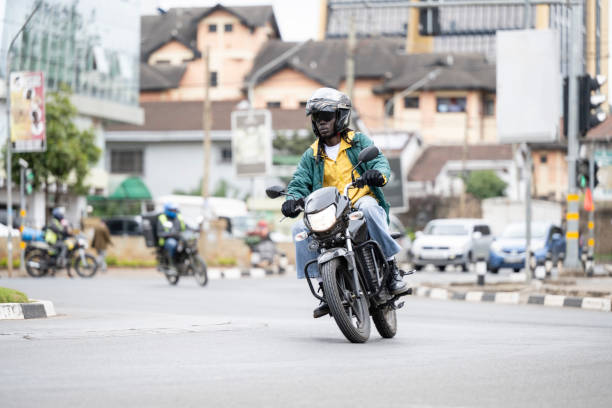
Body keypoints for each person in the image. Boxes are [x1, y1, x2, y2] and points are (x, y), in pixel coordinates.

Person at [282, 87, 410, 319]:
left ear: (340, 116)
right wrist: (291, 200)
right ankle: (326, 287)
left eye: (326, 116)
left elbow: (380, 162)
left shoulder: (359, 141)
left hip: (358, 204)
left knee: (370, 209)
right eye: (317, 118)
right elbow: (299, 182)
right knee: (299, 229)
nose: (321, 122)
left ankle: (391, 269)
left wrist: (376, 175)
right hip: (329, 212)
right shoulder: (310, 155)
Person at [156, 202, 186, 274]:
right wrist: (169, 234)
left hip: (178, 238)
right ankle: (171, 264)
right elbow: (159, 233)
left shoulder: (178, 217)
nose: (173, 211)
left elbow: (185, 226)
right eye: (171, 210)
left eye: (174, 210)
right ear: (167, 210)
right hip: (166, 240)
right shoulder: (162, 218)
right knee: (172, 244)